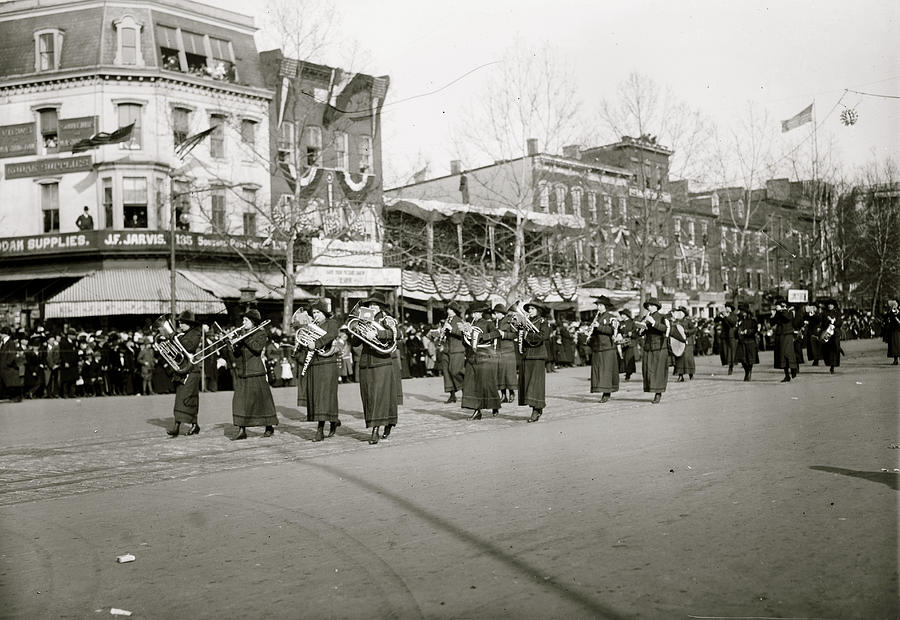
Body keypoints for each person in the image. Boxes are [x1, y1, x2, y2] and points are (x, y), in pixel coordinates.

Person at [350, 292, 398, 444]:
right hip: (366, 363)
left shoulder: (386, 319)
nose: (372, 307)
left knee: (379, 396)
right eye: (370, 305)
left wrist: (377, 333)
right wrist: (358, 331)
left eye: (375, 305)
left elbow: (397, 334)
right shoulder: (363, 319)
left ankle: (375, 429)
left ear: (381, 307)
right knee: (368, 397)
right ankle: (388, 421)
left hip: (381, 362)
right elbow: (355, 344)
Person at [296, 300, 340, 442]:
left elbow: (330, 335)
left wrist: (316, 343)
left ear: (324, 313)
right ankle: (333, 420)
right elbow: (306, 344)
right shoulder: (311, 326)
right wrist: (301, 345)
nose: (315, 315)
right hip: (314, 363)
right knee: (317, 396)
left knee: (325, 395)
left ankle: (320, 430)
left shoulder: (331, 323)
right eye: (313, 313)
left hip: (328, 363)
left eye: (318, 312)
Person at [231, 309, 278, 440]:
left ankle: (269, 426)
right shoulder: (243, 334)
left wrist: (243, 338)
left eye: (246, 320)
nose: (243, 322)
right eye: (243, 320)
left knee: (262, 401)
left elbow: (257, 349)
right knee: (240, 401)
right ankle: (242, 429)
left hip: (256, 372)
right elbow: (236, 354)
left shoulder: (261, 333)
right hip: (243, 372)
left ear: (252, 322)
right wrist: (232, 344)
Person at [460, 303, 501, 420]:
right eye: (473, 313)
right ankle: (476, 410)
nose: (474, 315)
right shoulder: (469, 324)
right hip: (472, 357)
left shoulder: (488, 323)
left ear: (481, 313)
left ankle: (494, 405)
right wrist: (465, 334)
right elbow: (465, 343)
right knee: (470, 383)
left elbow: (496, 334)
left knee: (487, 384)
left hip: (484, 356)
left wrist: (481, 336)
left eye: (476, 313)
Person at [167, 311, 203, 437]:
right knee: (180, 399)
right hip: (182, 369)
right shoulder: (183, 334)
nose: (180, 325)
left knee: (189, 399)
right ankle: (177, 426)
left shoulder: (196, 333)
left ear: (190, 324)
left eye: (182, 323)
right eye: (180, 323)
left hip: (192, 370)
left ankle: (194, 425)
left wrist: (174, 338)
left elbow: (189, 346)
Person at [640, 298, 680, 404]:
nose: (649, 307)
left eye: (651, 305)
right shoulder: (645, 317)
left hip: (659, 347)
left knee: (658, 371)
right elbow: (640, 333)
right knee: (648, 370)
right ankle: (652, 389)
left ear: (656, 307)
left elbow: (666, 330)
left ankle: (658, 393)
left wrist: (653, 323)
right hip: (648, 347)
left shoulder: (663, 317)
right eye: (648, 306)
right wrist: (641, 328)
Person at [518, 301, 550, 422]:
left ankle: (536, 410)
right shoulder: (526, 321)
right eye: (529, 309)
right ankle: (537, 407)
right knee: (527, 384)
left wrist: (527, 336)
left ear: (538, 310)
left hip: (537, 355)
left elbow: (543, 336)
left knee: (535, 385)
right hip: (527, 355)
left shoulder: (542, 322)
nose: (529, 311)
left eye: (532, 309)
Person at [587, 295, 619, 403]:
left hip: (607, 347)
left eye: (600, 305)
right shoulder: (597, 317)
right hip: (597, 347)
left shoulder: (611, 317)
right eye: (597, 305)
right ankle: (600, 389)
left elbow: (612, 331)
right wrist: (589, 332)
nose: (598, 307)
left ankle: (606, 393)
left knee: (606, 371)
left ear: (605, 306)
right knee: (598, 371)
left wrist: (598, 327)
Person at [440, 303, 466, 403]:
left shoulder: (459, 320)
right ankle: (452, 395)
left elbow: (463, 334)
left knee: (456, 371)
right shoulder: (447, 320)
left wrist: (451, 329)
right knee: (447, 372)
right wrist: (441, 334)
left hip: (457, 350)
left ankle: (465, 392)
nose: (448, 311)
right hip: (447, 349)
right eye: (447, 309)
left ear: (454, 310)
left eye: (450, 309)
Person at [492, 303, 517, 404]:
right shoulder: (494, 323)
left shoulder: (509, 321)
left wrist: (504, 334)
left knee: (508, 373)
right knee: (500, 374)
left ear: (501, 313)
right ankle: (503, 395)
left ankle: (511, 392)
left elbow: (515, 334)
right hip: (498, 350)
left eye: (497, 313)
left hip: (508, 349)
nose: (495, 315)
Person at [771, 298, 798, 382]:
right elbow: (773, 323)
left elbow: (788, 318)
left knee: (788, 353)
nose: (777, 307)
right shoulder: (778, 313)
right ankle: (786, 375)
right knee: (782, 355)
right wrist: (772, 316)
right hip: (780, 334)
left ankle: (794, 368)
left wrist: (782, 310)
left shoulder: (789, 311)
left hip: (787, 334)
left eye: (779, 305)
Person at [734, 303, 759, 381]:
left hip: (750, 341)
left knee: (750, 359)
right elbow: (735, 332)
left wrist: (747, 331)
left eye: (742, 311)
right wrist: (737, 328)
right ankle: (746, 371)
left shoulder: (752, 320)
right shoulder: (739, 321)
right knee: (743, 360)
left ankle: (749, 372)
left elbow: (755, 330)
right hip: (742, 341)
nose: (741, 313)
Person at [671, 306, 696, 382]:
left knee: (688, 359)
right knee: (679, 359)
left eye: (681, 312)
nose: (679, 313)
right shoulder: (675, 321)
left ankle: (690, 374)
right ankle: (680, 375)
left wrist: (687, 331)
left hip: (688, 343)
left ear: (684, 314)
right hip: (679, 343)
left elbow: (694, 329)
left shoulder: (688, 321)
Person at [820, 299, 842, 374]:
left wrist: (833, 323)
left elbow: (840, 322)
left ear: (834, 305)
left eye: (831, 304)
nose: (829, 306)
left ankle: (833, 365)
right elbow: (822, 323)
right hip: (827, 333)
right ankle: (829, 363)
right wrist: (827, 323)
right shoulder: (825, 313)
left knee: (834, 349)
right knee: (827, 350)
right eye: (828, 304)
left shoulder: (837, 312)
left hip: (835, 333)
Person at [715, 302, 738, 375]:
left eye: (727, 307)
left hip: (731, 335)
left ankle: (731, 366)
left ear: (730, 308)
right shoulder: (724, 314)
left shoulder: (733, 315)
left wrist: (725, 317)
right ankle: (727, 363)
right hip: (724, 335)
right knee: (724, 351)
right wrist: (718, 315)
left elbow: (732, 323)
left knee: (731, 352)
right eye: (726, 307)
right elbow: (716, 320)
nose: (726, 308)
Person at [617, 309, 637, 380]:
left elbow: (636, 334)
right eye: (621, 314)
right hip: (622, 343)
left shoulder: (632, 323)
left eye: (623, 314)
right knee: (623, 358)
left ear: (627, 315)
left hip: (630, 343)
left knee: (629, 359)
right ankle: (625, 371)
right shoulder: (621, 323)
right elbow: (618, 331)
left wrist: (632, 334)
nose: (622, 316)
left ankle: (628, 373)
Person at [883, 298, 900, 365]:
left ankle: (896, 360)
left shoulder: (894, 311)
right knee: (896, 345)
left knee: (895, 345)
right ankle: (896, 360)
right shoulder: (895, 310)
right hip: (896, 329)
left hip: (895, 330)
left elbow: (889, 317)